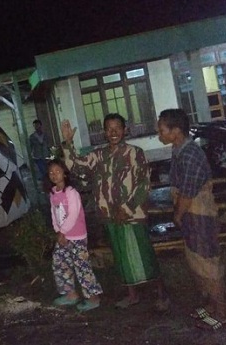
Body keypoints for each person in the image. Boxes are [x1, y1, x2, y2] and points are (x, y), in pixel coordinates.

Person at [61, 114, 169, 311]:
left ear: (125, 129)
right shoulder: (98, 155)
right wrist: (68, 143)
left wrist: (126, 209)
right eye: (109, 129)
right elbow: (75, 166)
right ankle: (132, 295)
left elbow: (144, 184)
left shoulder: (135, 153)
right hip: (109, 216)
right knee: (121, 257)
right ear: (104, 132)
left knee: (144, 254)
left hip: (132, 215)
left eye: (117, 128)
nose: (113, 132)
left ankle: (162, 294)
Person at [157, 108, 226, 330]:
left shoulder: (190, 154)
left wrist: (178, 214)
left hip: (198, 214)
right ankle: (210, 307)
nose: (159, 133)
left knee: (207, 262)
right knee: (196, 260)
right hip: (191, 215)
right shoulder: (179, 149)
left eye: (162, 130)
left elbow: (188, 192)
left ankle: (223, 312)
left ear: (176, 131)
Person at [46, 159, 103, 312]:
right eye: (51, 172)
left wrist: (63, 231)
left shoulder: (71, 192)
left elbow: (73, 214)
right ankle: (70, 294)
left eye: (57, 171)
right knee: (60, 263)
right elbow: (54, 214)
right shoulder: (53, 193)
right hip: (63, 237)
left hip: (76, 236)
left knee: (82, 266)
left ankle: (93, 298)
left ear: (64, 173)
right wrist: (58, 231)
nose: (54, 175)